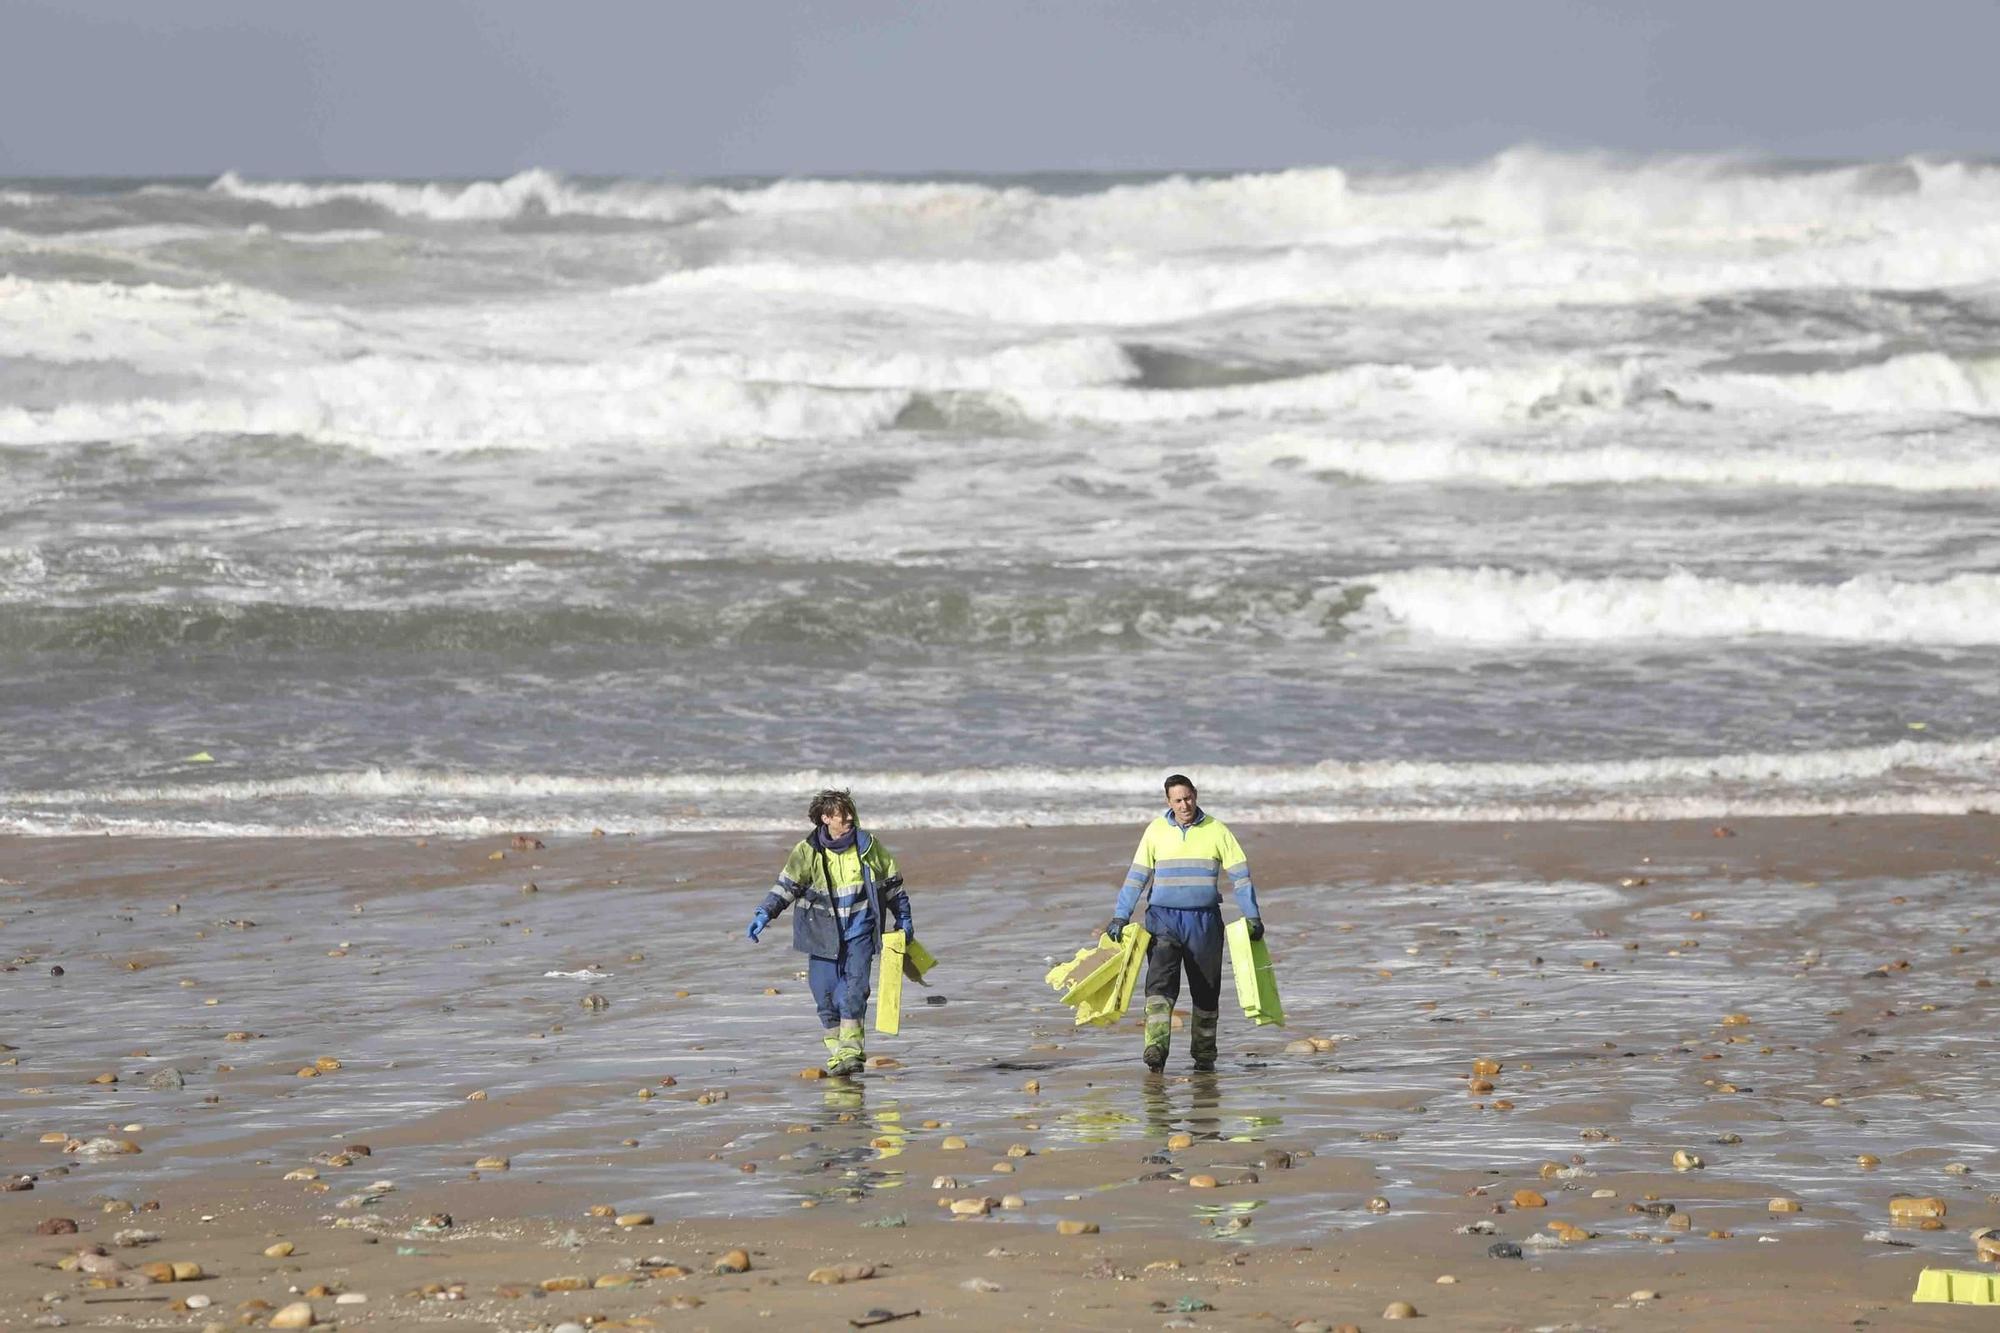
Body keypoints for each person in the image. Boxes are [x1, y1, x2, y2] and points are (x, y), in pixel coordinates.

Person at [747, 789, 912, 1076]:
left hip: (860, 931)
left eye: (849, 811)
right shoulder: (807, 851)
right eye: (840, 814)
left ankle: (852, 1053)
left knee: (853, 991)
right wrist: (764, 913)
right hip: (821, 934)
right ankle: (838, 1055)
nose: (848, 817)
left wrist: (904, 919)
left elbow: (894, 886)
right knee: (824, 996)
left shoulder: (869, 847)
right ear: (825, 818)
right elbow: (786, 886)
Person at [1105, 774, 1263, 1073]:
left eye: (1188, 797)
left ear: (1196, 795)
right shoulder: (1155, 831)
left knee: (1206, 990)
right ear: (1168, 802)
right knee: (1160, 985)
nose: (1184, 804)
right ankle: (1156, 1049)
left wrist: (1252, 916)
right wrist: (1120, 915)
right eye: (1177, 800)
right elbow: (1136, 877)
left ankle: (1204, 1057)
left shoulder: (1216, 830)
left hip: (1204, 922)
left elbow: (1241, 878)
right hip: (1162, 918)